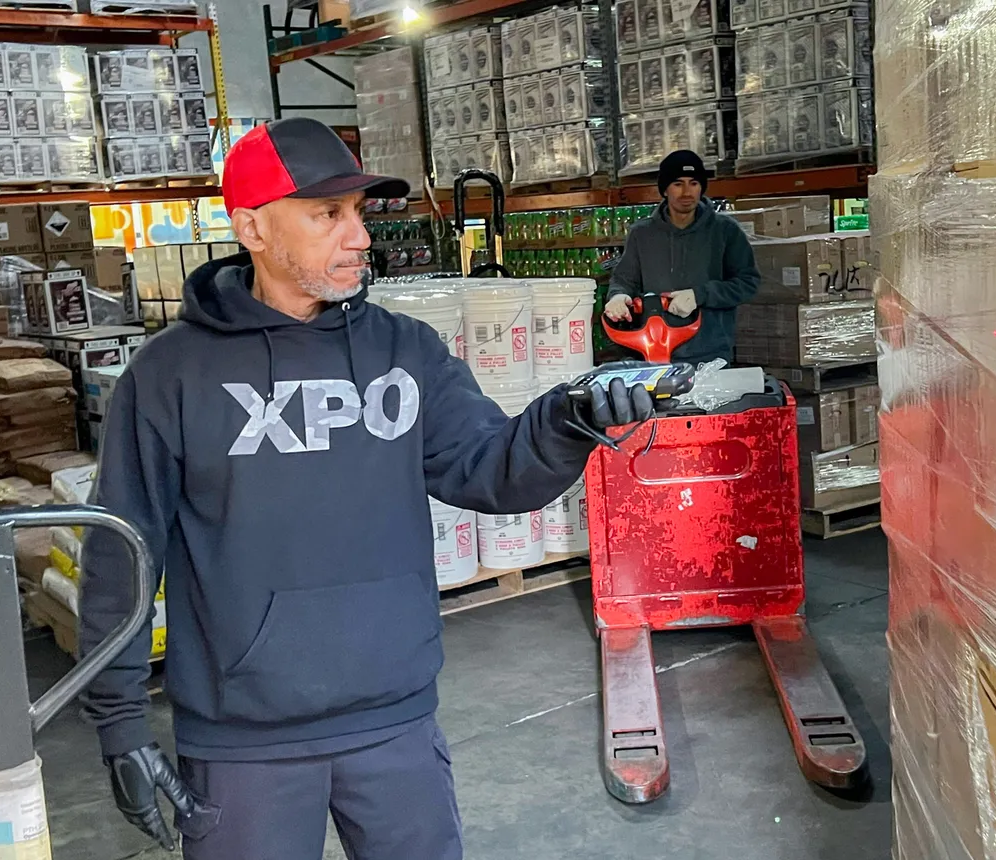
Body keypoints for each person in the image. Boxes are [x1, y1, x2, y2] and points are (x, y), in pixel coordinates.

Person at [78, 117, 653, 860]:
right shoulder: (169, 376)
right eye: (328, 215)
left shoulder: (404, 351)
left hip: (395, 725)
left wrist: (566, 420)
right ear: (251, 226)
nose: (358, 237)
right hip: (244, 742)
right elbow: (122, 550)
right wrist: (118, 724)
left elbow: (489, 468)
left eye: (358, 213)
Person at [603, 150, 759, 366]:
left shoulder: (725, 231)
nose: (687, 192)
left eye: (693, 183)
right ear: (665, 189)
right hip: (651, 352)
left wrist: (700, 295)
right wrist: (618, 297)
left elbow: (747, 283)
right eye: (678, 184)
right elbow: (624, 280)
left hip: (710, 354)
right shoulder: (641, 234)